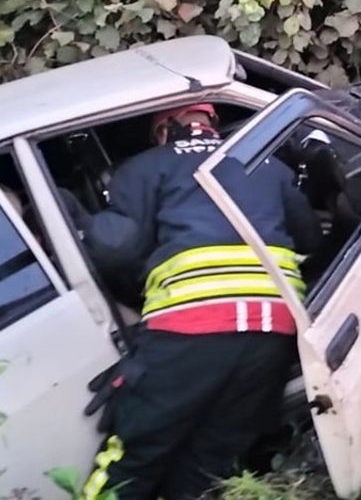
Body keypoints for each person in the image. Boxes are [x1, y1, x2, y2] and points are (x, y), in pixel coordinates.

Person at [69, 103, 320, 500]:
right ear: (212, 124)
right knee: (214, 462)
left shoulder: (144, 167)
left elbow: (118, 249)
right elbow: (309, 239)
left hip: (190, 331)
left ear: (164, 130)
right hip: (273, 332)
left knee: (133, 457)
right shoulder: (267, 164)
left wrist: (77, 219)